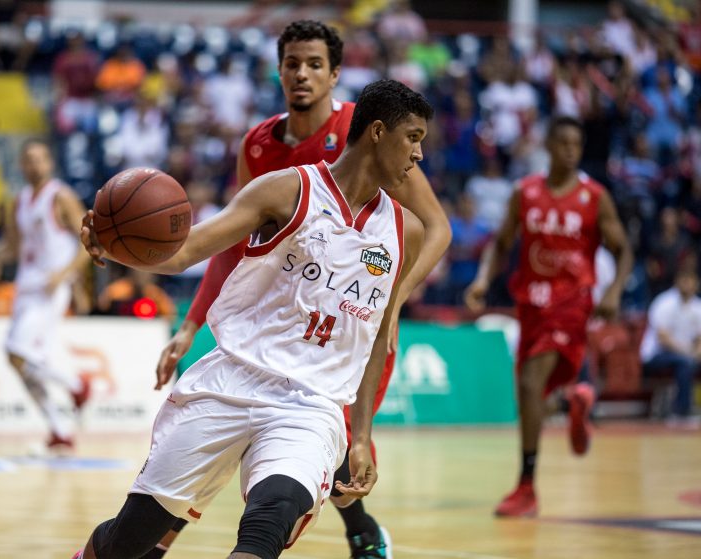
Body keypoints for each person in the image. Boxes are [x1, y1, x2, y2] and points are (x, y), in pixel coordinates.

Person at [75, 78, 430, 559]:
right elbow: (187, 252)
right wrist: (112, 244)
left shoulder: (406, 231)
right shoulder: (287, 190)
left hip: (311, 406)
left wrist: (361, 437)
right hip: (230, 380)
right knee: (129, 542)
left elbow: (374, 341)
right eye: (413, 138)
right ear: (378, 132)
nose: (419, 154)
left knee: (269, 521)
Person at [151, 20, 451, 559]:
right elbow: (230, 244)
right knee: (252, 440)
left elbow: (437, 228)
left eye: (315, 64)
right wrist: (190, 325)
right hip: (275, 317)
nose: (302, 74)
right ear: (279, 70)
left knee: (327, 439)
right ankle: (151, 538)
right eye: (292, 63)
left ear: (335, 75)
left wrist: (394, 299)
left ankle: (357, 530)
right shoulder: (258, 145)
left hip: (346, 316)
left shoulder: (373, 132)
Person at [465, 116, 633, 517]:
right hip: (531, 305)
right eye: (564, 143)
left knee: (529, 384)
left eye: (577, 144)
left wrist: (613, 290)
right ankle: (571, 400)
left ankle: (527, 486)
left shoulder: (594, 197)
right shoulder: (525, 192)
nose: (571, 151)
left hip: (571, 304)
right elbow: (501, 243)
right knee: (531, 394)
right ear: (550, 146)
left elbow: (623, 249)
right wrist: (483, 279)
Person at [0, 139, 92, 450]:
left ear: (49, 162)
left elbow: (88, 243)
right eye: (29, 159)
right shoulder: (18, 201)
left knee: (16, 352)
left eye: (39, 158)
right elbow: (12, 249)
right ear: (21, 165)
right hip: (26, 286)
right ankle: (60, 430)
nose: (34, 164)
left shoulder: (60, 196)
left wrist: (65, 275)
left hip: (51, 287)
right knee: (20, 362)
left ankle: (77, 385)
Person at [641, 267, 701, 428]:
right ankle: (681, 412)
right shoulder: (664, 302)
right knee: (684, 363)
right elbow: (663, 338)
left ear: (697, 284)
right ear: (677, 282)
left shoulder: (697, 306)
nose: (687, 284)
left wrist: (697, 352)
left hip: (686, 354)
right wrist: (688, 353)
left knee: (687, 361)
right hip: (656, 355)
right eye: (684, 280)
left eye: (691, 281)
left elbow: (699, 338)